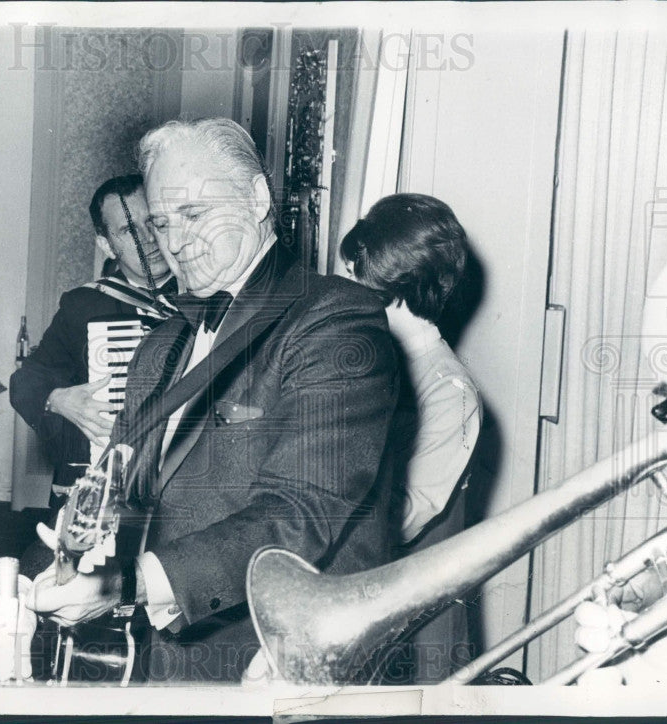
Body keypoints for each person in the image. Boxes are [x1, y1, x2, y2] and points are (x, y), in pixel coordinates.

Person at [26, 118, 399, 683]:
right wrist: (35, 583)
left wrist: (125, 584)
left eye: (193, 214)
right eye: (160, 222)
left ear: (256, 199)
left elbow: (297, 515)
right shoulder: (162, 342)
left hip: (269, 664)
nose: (173, 243)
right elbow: (113, 490)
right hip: (161, 663)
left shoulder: (335, 321)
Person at [339, 193, 483, 683]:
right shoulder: (373, 359)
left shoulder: (449, 392)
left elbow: (400, 516)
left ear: (395, 286)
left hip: (415, 633)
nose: (346, 288)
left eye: (355, 275)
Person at [10, 173, 177, 513]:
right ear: (106, 244)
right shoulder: (84, 306)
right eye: (128, 231)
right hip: (108, 486)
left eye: (153, 222)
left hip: (182, 484)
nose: (147, 239)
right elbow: (25, 381)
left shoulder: (209, 295)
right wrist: (57, 399)